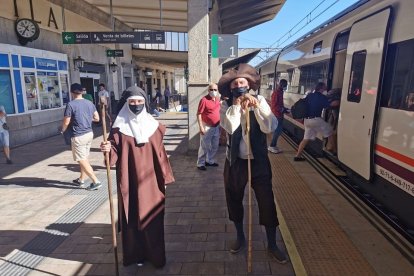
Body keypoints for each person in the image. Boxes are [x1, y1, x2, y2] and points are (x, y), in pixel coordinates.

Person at [218, 63, 287, 264]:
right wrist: (237, 107)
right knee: (234, 198)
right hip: (235, 162)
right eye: (235, 84)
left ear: (248, 85)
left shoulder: (261, 101)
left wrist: (257, 108)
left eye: (242, 82)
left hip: (258, 162)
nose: (239, 86)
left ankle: (272, 244)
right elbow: (229, 127)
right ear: (231, 88)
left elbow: (269, 127)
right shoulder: (226, 106)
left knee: (266, 201)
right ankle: (240, 237)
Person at [100, 86, 174, 267]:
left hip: (152, 183)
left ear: (145, 103)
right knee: (131, 218)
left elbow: (161, 154)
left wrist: (165, 176)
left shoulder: (154, 127)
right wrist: (107, 149)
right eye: (132, 102)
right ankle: (135, 256)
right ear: (126, 103)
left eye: (139, 101)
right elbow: (113, 156)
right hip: (129, 181)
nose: (136, 105)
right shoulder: (118, 129)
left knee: (153, 219)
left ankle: (155, 257)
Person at [61, 83, 101, 190]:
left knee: (81, 158)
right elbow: (97, 118)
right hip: (89, 133)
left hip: (78, 135)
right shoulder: (89, 103)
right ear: (82, 92)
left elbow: (66, 121)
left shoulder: (71, 104)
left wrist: (63, 130)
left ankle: (95, 181)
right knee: (84, 157)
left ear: (72, 92)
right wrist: (87, 119)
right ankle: (81, 180)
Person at [294, 82, 334, 161]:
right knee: (330, 131)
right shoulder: (322, 97)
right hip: (316, 120)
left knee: (305, 139)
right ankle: (331, 149)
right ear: (321, 88)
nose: (326, 88)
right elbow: (328, 106)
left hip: (307, 121)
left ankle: (297, 156)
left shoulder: (310, 95)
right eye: (325, 87)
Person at [196, 83, 221, 170]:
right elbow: (199, 114)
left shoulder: (218, 100)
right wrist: (201, 127)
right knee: (204, 146)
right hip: (207, 126)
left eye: (215, 90)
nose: (213, 91)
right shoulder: (204, 100)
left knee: (215, 145)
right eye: (211, 89)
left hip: (216, 127)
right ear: (208, 90)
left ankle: (209, 160)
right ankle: (200, 163)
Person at [268, 79, 288, 154]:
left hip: (279, 114)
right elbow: (273, 106)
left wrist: (284, 109)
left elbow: (279, 104)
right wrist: (282, 110)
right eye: (285, 85)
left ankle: (274, 145)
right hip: (277, 115)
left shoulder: (280, 92)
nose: (285, 87)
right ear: (281, 85)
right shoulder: (276, 93)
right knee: (277, 131)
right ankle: (271, 146)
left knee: (278, 131)